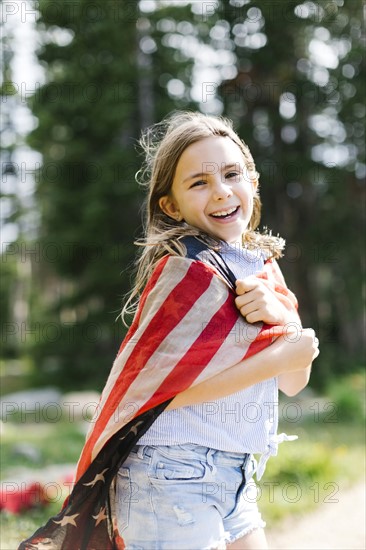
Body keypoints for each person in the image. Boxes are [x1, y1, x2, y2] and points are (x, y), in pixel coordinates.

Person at [18, 112, 319, 550]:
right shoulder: (184, 273)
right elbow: (167, 391)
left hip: (235, 474)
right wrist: (284, 351)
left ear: (252, 181)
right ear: (171, 205)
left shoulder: (263, 267)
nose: (221, 191)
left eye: (232, 174)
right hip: (169, 474)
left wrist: (284, 320)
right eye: (198, 182)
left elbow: (294, 380)